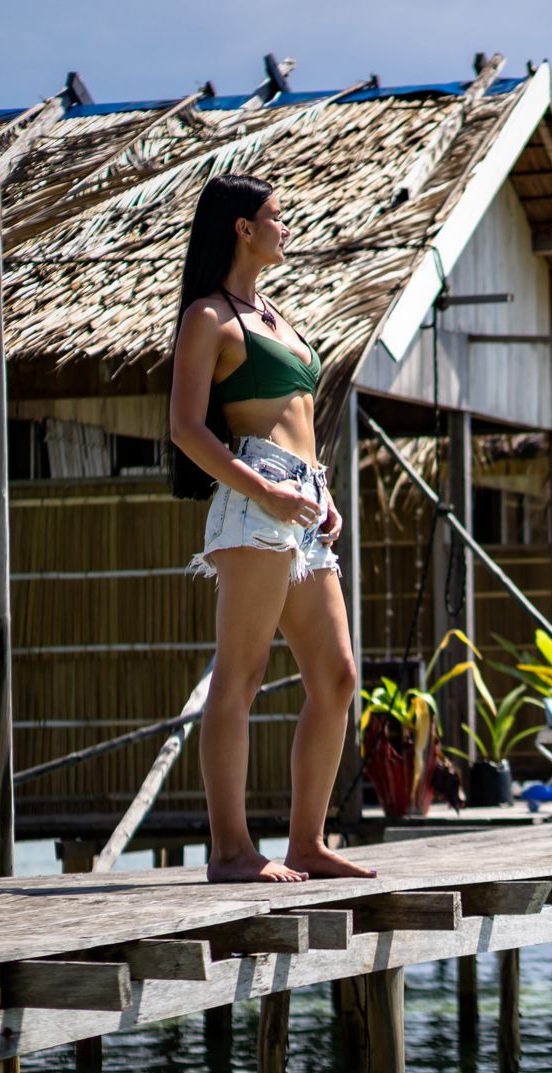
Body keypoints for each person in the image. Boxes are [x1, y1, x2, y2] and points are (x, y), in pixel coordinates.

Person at [168, 173, 375, 883]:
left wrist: (321, 490)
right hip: (255, 492)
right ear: (242, 229)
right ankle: (230, 850)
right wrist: (265, 489)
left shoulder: (277, 314)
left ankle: (307, 842)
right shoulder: (209, 317)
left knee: (338, 674)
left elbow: (302, 421)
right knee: (244, 673)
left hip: (304, 499)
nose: (288, 227)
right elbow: (186, 428)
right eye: (277, 217)